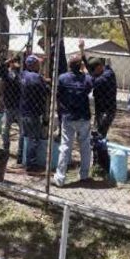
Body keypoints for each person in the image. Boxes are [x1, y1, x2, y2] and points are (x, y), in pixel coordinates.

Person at [54, 54, 94, 187]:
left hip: (68, 116)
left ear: (69, 66)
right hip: (83, 117)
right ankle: (84, 175)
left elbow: (58, 95)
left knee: (65, 147)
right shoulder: (87, 79)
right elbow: (90, 83)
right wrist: (84, 69)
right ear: (81, 66)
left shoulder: (63, 78)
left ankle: (60, 178)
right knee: (85, 147)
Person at [78, 40, 117, 138]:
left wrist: (83, 75)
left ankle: (100, 151)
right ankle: (97, 150)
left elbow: (94, 82)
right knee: (97, 132)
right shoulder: (99, 72)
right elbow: (88, 65)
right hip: (99, 109)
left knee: (100, 134)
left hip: (107, 111)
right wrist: (82, 49)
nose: (93, 74)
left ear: (99, 67)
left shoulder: (108, 75)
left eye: (94, 72)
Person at [19, 55, 50, 173]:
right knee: (34, 139)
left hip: (24, 111)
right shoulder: (37, 78)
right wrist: (46, 82)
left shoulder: (23, 74)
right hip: (34, 112)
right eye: (38, 63)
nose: (40, 65)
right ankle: (31, 165)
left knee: (25, 136)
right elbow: (46, 90)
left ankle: (21, 160)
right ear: (34, 65)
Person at [0, 56, 22, 161]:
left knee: (22, 132)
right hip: (9, 106)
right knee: (5, 130)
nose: (16, 63)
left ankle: (20, 154)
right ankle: (5, 150)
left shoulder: (23, 74)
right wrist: (8, 61)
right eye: (14, 62)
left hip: (20, 107)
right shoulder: (8, 75)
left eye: (17, 62)